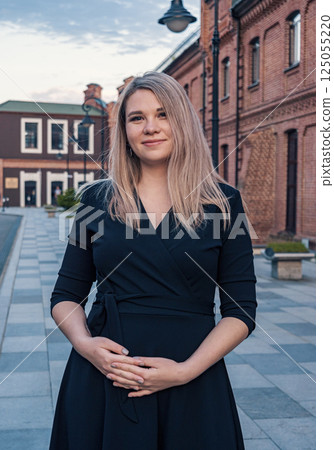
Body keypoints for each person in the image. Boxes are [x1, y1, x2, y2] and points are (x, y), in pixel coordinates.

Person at [49, 72, 257, 450]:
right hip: (104, 377)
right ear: (124, 130)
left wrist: (184, 372)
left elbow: (241, 309)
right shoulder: (95, 201)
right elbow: (66, 294)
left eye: (162, 114)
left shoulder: (225, 204)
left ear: (183, 121)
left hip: (192, 379)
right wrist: (84, 345)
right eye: (137, 117)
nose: (150, 128)